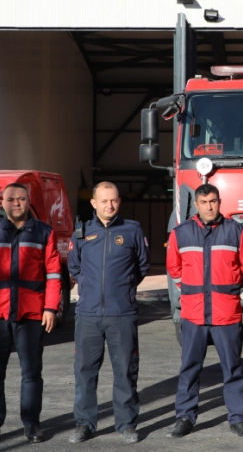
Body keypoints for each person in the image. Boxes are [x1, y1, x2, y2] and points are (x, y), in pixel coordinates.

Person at [0, 182, 62, 446]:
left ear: (29, 201)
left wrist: (50, 308)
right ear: (3, 203)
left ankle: (31, 424)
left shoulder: (44, 233)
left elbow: (54, 275)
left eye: (21, 199)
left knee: (31, 373)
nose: (16, 203)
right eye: (11, 199)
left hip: (30, 314)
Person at [165, 183, 243, 439]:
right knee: (190, 368)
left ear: (219, 202)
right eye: (204, 202)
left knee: (233, 368)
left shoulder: (235, 231)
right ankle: (185, 417)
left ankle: (237, 419)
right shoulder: (181, 233)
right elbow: (174, 267)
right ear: (196, 204)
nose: (209, 207)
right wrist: (190, 288)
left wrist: (231, 286)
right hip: (194, 313)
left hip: (225, 313)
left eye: (213, 201)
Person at [68, 182, 150, 444]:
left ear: (119, 201)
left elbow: (142, 265)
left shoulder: (132, 230)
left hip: (122, 314)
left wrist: (124, 287)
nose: (109, 205)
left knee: (125, 371)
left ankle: (126, 424)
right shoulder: (81, 232)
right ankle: (84, 424)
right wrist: (90, 288)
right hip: (88, 315)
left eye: (113, 200)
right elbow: (74, 267)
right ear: (94, 203)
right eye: (104, 201)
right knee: (84, 372)